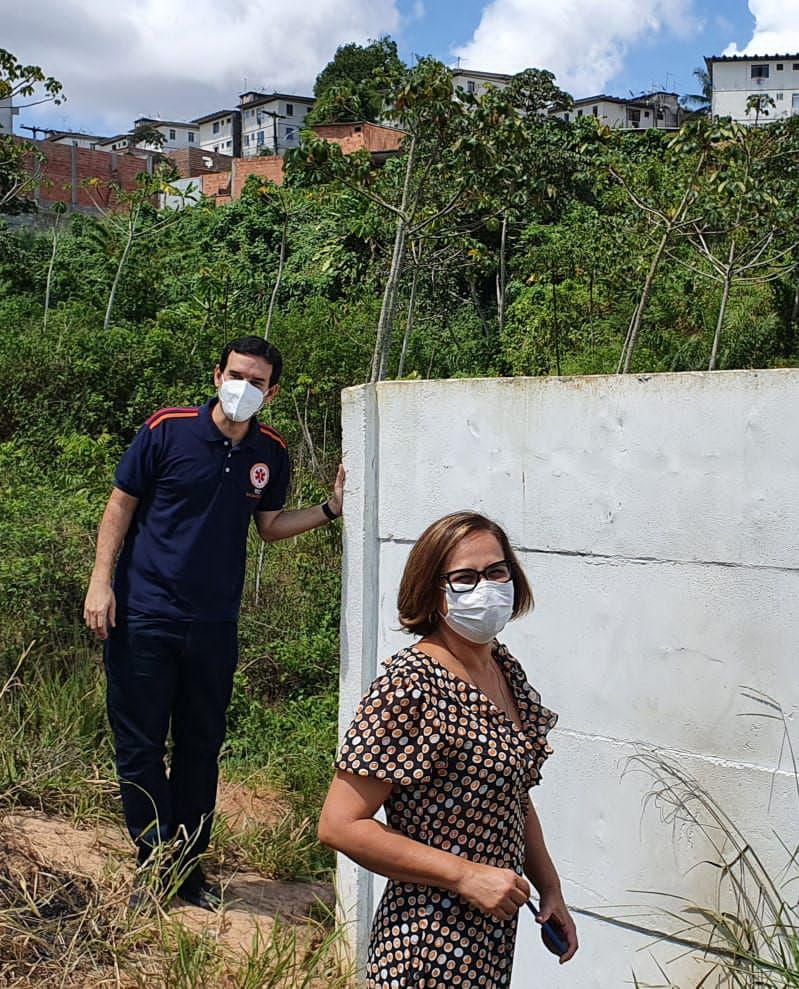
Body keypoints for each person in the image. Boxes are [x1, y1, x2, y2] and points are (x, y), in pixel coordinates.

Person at [82, 335, 346, 910]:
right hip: (143, 614)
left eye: (256, 382)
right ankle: (153, 861)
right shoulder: (166, 429)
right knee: (141, 745)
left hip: (213, 624)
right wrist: (101, 582)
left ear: (271, 393)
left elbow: (270, 525)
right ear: (216, 375)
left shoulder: (271, 452)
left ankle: (188, 868)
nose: (243, 388)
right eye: (236, 374)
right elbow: (120, 504)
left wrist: (330, 509)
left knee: (201, 746)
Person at [319, 511, 578, 988]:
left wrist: (551, 889)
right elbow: (340, 825)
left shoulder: (502, 669)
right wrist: (464, 876)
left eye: (497, 571)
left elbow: (513, 795)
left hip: (491, 934)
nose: (487, 587)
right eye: (464, 578)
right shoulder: (410, 685)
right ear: (432, 592)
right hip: (426, 940)